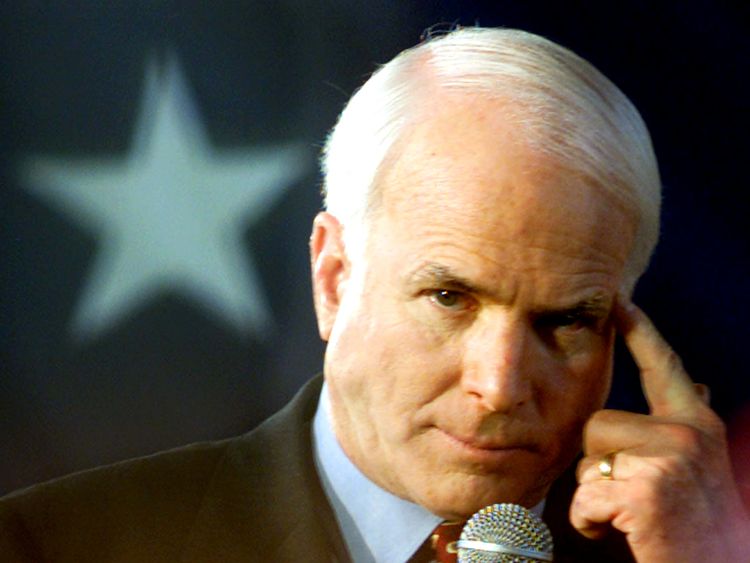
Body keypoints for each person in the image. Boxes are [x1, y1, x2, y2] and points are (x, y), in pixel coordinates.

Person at [1, 27, 747, 562]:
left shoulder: (687, 551)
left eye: (566, 321)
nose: (499, 385)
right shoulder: (54, 544)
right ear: (334, 278)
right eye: (450, 296)